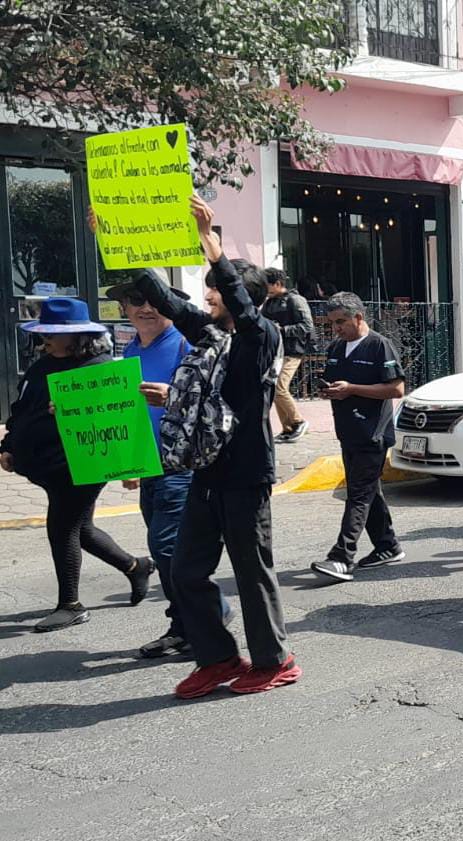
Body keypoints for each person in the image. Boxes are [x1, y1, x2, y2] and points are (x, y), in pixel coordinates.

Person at [135, 195, 300, 699]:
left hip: (246, 474)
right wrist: (124, 247)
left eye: (214, 293)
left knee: (251, 572)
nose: (206, 300)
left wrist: (212, 246)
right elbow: (170, 303)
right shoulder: (213, 341)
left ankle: (276, 660)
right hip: (207, 472)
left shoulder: (262, 335)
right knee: (185, 570)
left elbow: (245, 313)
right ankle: (218, 657)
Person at [0, 298, 152, 632]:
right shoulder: (41, 366)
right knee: (81, 529)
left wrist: (130, 468)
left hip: (80, 466)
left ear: (78, 336)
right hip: (46, 466)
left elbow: (122, 419)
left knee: (63, 527)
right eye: (45, 333)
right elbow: (21, 409)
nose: (46, 340)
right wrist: (9, 445)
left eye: (53, 334)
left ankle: (70, 605)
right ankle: (135, 567)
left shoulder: (98, 370)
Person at [108, 274, 233, 657]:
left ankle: (207, 616)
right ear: (124, 309)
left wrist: (174, 396)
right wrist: (129, 463)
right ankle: (186, 623)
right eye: (135, 301)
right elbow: (126, 413)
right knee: (165, 548)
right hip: (150, 464)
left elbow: (215, 395)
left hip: (182, 462)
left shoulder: (184, 343)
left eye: (154, 301)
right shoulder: (130, 354)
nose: (146, 308)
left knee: (166, 546)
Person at [309, 292, 407, 582]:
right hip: (347, 432)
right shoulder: (337, 347)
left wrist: (352, 388)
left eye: (341, 321)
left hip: (372, 433)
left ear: (358, 317)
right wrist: (329, 390)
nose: (336, 328)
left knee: (358, 494)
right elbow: (336, 382)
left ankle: (342, 557)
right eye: (331, 323)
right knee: (367, 491)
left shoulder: (379, 345)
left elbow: (396, 389)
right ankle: (387, 545)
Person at [262, 267, 315, 443]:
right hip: (276, 352)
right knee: (274, 387)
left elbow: (307, 326)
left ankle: (298, 421)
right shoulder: (269, 303)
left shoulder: (295, 300)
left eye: (267, 285)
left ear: (278, 284)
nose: (265, 290)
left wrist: (282, 330)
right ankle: (288, 428)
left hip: (293, 351)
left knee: (279, 387)